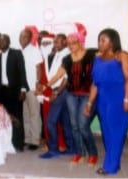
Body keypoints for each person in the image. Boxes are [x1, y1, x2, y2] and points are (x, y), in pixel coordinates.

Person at [40, 32, 98, 166]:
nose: (70, 45)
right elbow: (58, 75)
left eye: (74, 43)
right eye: (69, 43)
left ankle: (93, 154)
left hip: (86, 95)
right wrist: (45, 86)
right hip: (71, 95)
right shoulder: (66, 59)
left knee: (83, 125)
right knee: (74, 125)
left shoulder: (91, 55)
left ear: (81, 42)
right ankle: (79, 153)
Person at [84, 28, 128, 175]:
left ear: (112, 42)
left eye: (103, 40)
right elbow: (95, 84)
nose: (100, 43)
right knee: (107, 133)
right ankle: (114, 163)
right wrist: (89, 103)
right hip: (103, 101)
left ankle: (110, 167)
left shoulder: (121, 56)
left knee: (116, 133)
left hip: (119, 99)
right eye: (99, 40)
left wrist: (126, 99)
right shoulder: (97, 59)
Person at [39, 34, 74, 158]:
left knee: (50, 121)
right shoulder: (59, 53)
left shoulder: (67, 54)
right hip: (59, 90)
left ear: (65, 41)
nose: (55, 44)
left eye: (58, 42)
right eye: (54, 42)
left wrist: (56, 92)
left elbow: (65, 78)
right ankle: (71, 148)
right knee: (65, 121)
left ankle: (53, 150)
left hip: (62, 91)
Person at [19, 28, 43, 150]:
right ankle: (27, 138)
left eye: (25, 37)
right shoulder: (20, 52)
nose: (22, 39)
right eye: (21, 36)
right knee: (26, 114)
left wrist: (38, 83)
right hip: (23, 88)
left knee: (34, 114)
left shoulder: (35, 50)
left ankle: (35, 140)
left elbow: (39, 68)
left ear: (30, 38)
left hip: (32, 87)